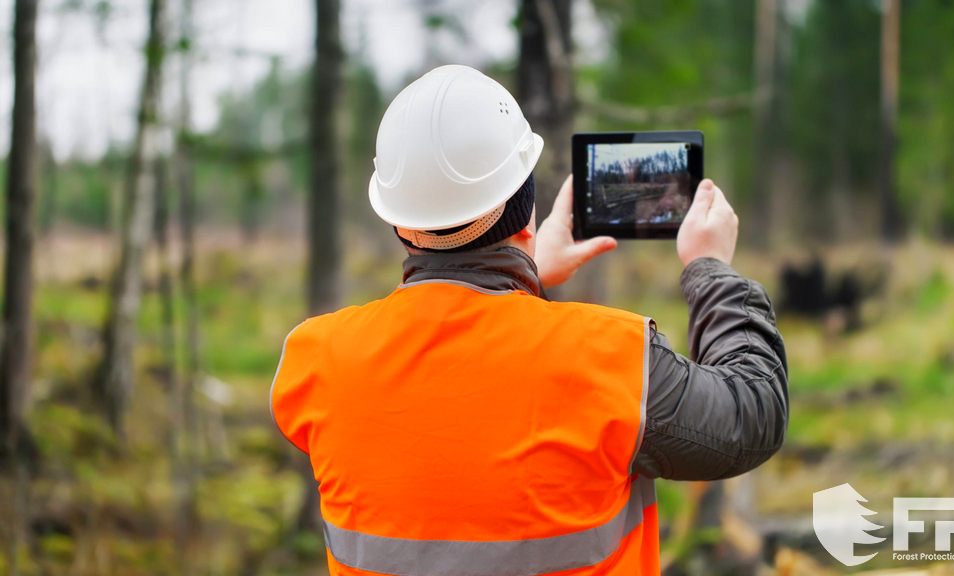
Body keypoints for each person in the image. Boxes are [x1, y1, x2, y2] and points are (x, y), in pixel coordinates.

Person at [271, 65, 788, 576]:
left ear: (399, 220)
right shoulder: (610, 359)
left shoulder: (317, 361)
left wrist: (522, 273)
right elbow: (752, 414)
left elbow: (453, 388)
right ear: (524, 210)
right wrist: (710, 268)